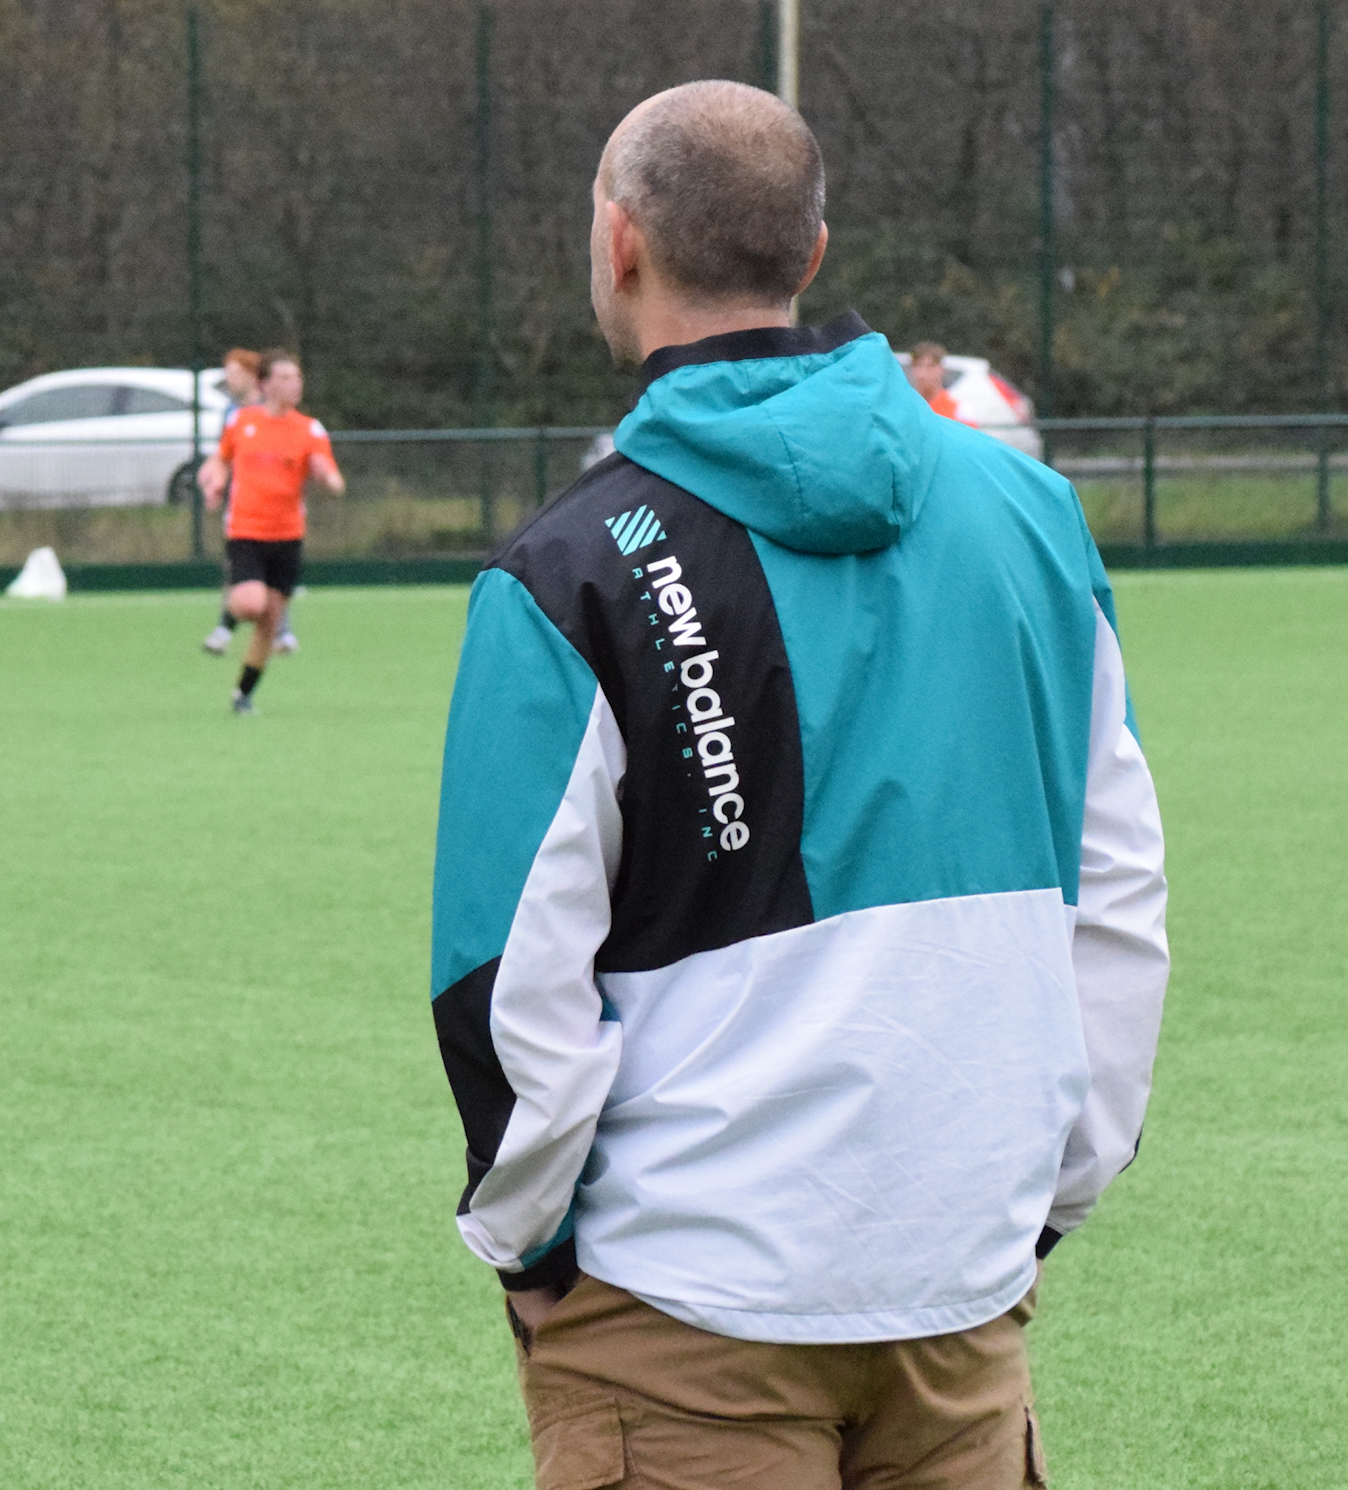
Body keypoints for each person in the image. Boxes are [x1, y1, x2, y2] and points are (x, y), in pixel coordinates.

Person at [431, 81, 1168, 1489]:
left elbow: (504, 977)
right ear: (813, 252)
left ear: (619, 242)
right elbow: (1119, 899)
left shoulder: (563, 572)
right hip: (961, 1291)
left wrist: (530, 1246)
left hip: (677, 1307)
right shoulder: (1035, 517)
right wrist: (1045, 1197)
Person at [207, 350, 343, 714]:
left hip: (288, 536)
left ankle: (243, 694)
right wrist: (215, 482)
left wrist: (327, 478)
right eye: (284, 378)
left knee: (269, 622)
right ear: (264, 384)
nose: (294, 384)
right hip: (247, 531)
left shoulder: (309, 429)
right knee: (252, 603)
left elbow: (334, 479)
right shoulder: (241, 422)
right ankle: (227, 622)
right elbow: (221, 459)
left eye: (297, 377)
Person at [197, 349, 303, 657]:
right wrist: (214, 480)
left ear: (251, 376)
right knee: (242, 575)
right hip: (243, 508)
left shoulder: (271, 409)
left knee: (274, 577)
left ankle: (279, 632)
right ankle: (229, 629)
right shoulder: (231, 412)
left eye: (234, 372)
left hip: (277, 510)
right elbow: (224, 455)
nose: (229, 378)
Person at [906, 340, 963, 418]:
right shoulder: (906, 407)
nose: (922, 373)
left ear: (940, 369)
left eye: (929, 367)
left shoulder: (957, 410)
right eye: (917, 366)